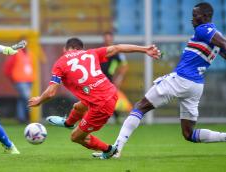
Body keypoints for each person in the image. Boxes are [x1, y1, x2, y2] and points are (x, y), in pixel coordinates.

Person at [93, 2, 226, 159]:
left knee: (140, 107)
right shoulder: (214, 36)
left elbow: (224, 44)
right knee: (188, 133)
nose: (192, 19)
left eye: (195, 15)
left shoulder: (204, 29)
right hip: (196, 85)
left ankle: (116, 150)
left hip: (181, 79)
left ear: (205, 16)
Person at [28, 38, 160, 159]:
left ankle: (109, 150)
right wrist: (144, 49)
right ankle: (68, 123)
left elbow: (51, 93)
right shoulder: (91, 53)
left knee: (75, 137)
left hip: (101, 104)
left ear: (65, 49)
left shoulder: (60, 63)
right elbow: (118, 48)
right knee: (78, 107)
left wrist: (39, 100)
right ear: (81, 49)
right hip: (111, 92)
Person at [100, 31, 132, 123]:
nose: (107, 40)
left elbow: (124, 66)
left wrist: (119, 78)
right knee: (104, 99)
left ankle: (121, 116)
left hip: (109, 79)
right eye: (106, 38)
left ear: (112, 39)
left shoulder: (117, 52)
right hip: (99, 78)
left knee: (109, 99)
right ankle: (114, 117)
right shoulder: (101, 50)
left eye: (109, 38)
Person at [4, 48, 34, 123]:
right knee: (26, 97)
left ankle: (21, 117)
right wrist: (11, 78)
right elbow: (8, 66)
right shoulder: (16, 53)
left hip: (29, 80)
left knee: (22, 99)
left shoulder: (29, 53)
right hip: (19, 80)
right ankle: (28, 116)